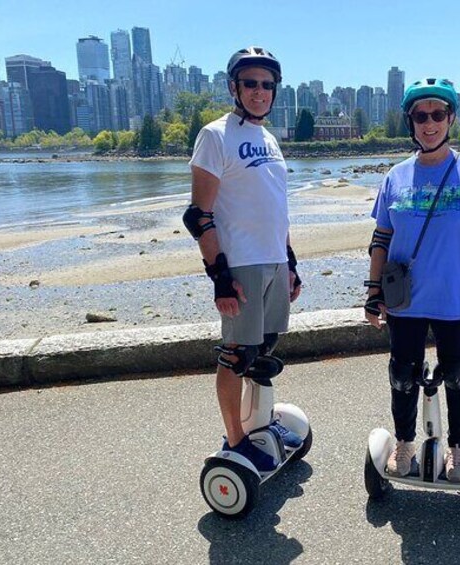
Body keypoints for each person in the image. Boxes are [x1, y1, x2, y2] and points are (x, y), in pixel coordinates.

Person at [364, 78, 460, 482]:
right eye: (421, 115)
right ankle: (405, 442)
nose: (430, 123)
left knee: (458, 374)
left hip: (455, 298)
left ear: (451, 119)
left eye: (438, 114)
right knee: (402, 375)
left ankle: (459, 450)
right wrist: (374, 293)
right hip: (405, 298)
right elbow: (381, 240)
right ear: (410, 121)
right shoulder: (395, 177)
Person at [185, 46, 302, 472]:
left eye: (267, 85)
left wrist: (289, 262)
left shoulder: (269, 139)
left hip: (272, 261)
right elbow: (199, 214)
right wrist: (219, 276)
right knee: (236, 354)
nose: (259, 92)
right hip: (242, 265)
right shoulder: (215, 136)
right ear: (235, 87)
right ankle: (235, 440)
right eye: (250, 84)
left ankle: (261, 424)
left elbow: (276, 205)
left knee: (263, 349)